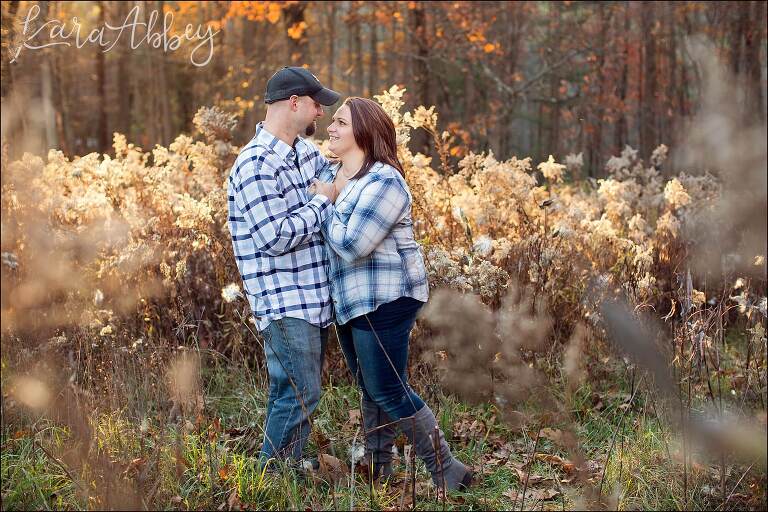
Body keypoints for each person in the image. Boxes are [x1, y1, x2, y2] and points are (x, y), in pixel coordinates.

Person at [314, 97, 473, 491]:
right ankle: (378, 467)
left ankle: (447, 469)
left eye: (339, 123)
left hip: (387, 299)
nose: (330, 129)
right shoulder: (337, 175)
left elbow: (353, 245)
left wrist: (326, 204)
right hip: (352, 301)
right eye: (331, 122)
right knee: (370, 387)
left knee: (387, 387)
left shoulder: (384, 181)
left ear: (364, 132)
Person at [227, 66, 341, 465]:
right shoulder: (255, 164)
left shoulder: (305, 153)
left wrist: (326, 193)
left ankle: (283, 475)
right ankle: (270, 479)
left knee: (289, 392)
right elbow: (273, 237)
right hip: (282, 301)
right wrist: (321, 202)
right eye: (315, 105)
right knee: (301, 392)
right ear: (294, 103)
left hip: (312, 298)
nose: (320, 114)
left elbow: (334, 179)